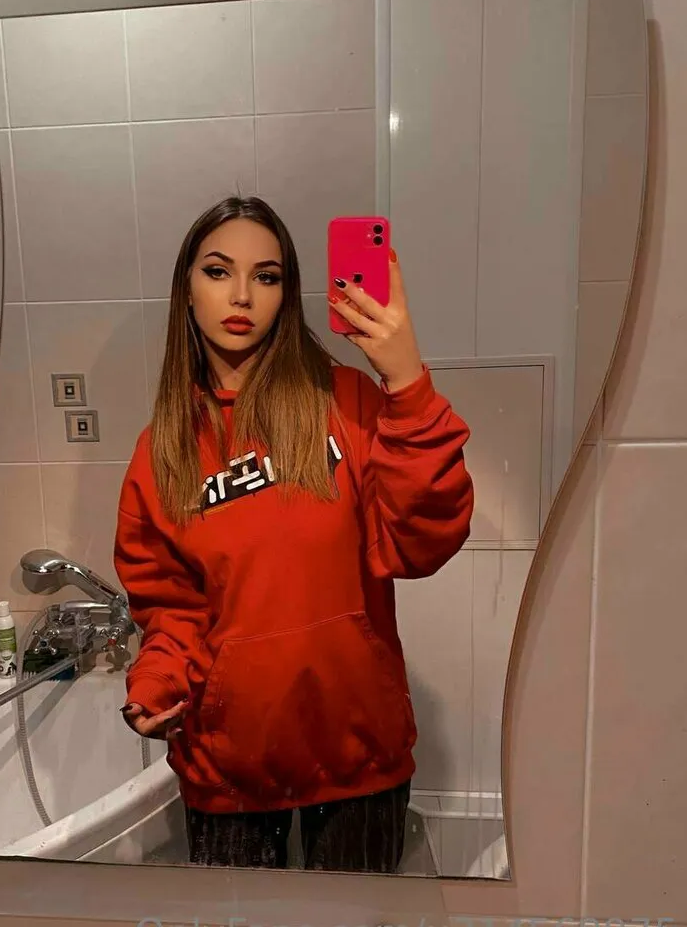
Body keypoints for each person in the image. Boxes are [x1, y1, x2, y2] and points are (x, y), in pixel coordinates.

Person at [113, 196, 473, 872]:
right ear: (186, 290)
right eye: (218, 271)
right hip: (228, 770)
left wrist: (406, 381)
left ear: (287, 293)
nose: (242, 295)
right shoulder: (161, 453)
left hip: (360, 759)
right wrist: (156, 681)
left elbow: (424, 542)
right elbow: (172, 609)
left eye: (267, 276)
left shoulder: (348, 403)